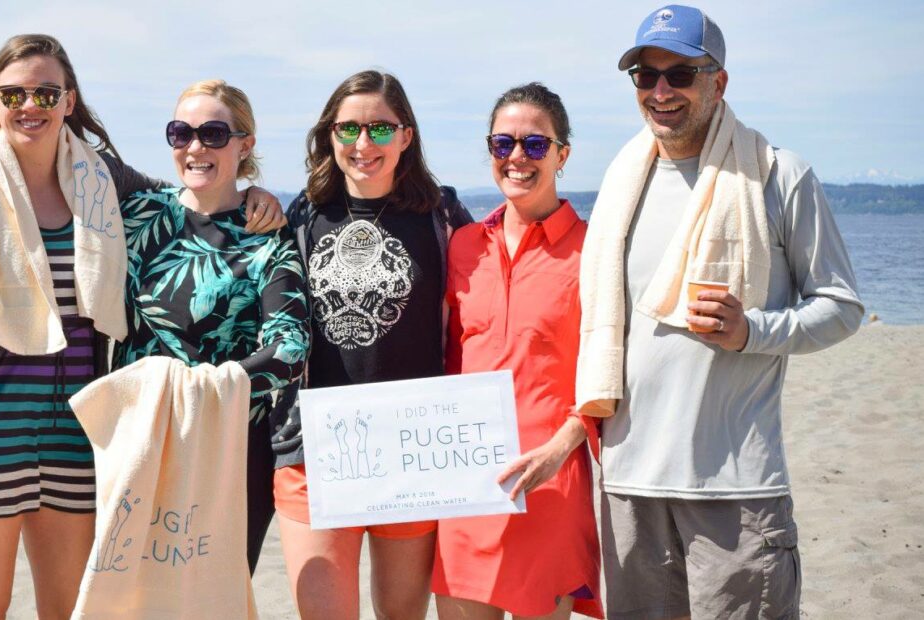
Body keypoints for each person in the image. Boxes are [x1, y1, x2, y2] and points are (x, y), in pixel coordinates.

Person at [0, 36, 282, 619]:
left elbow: (189, 198)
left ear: (68, 100)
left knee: (72, 607)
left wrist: (254, 193)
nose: (31, 104)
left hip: (77, 431)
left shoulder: (102, 177)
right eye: (15, 93)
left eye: (46, 91)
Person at [576, 6, 863, 619]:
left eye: (680, 74)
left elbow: (841, 307)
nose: (660, 92)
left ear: (718, 81)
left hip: (734, 492)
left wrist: (752, 330)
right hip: (629, 488)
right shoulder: (622, 182)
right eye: (645, 76)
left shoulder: (776, 174)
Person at [270, 69, 472, 620]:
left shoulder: (442, 214)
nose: (363, 145)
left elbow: (484, 314)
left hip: (411, 447)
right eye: (349, 129)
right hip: (312, 448)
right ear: (328, 135)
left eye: (380, 129)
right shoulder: (300, 216)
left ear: (406, 135)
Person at [111, 79, 310, 575]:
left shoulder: (268, 235)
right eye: (181, 133)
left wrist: (201, 390)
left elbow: (291, 347)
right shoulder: (137, 215)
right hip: (137, 441)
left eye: (214, 134)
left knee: (213, 596)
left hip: (229, 446)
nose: (195, 147)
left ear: (246, 144)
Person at [432, 84, 603, 620]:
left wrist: (560, 448)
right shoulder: (463, 244)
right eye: (503, 143)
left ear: (562, 155)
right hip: (467, 487)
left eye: (534, 144)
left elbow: (613, 372)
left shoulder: (594, 249)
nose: (516, 157)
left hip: (550, 486)